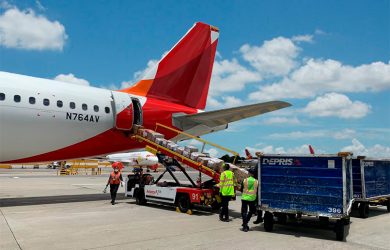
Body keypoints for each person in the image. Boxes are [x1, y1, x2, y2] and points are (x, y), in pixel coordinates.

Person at [240, 167, 258, 232]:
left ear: (249, 173)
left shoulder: (245, 180)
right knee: (251, 211)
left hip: (244, 198)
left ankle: (245, 225)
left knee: (244, 212)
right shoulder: (256, 181)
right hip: (252, 199)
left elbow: (241, 189)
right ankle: (246, 222)